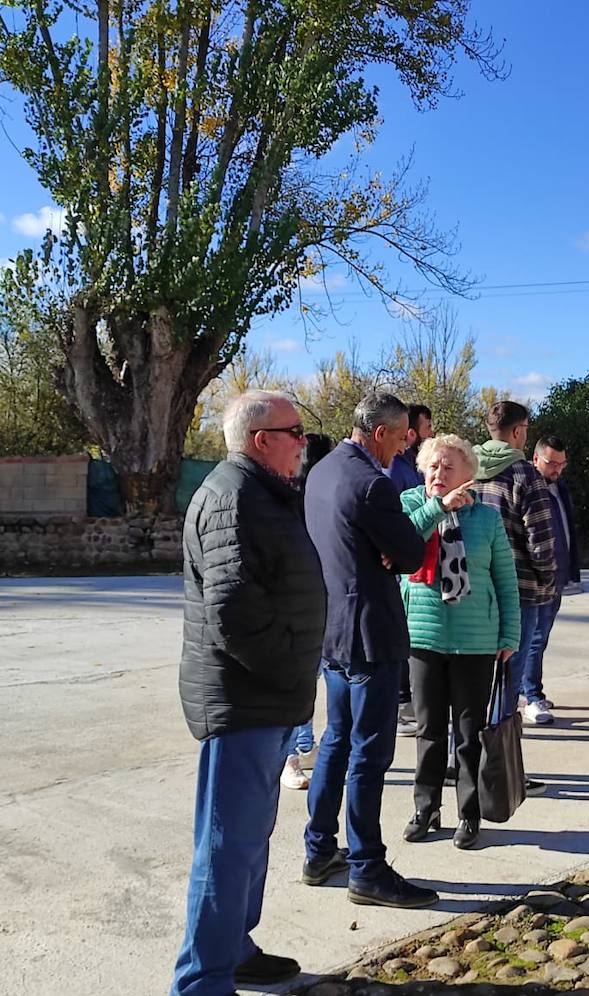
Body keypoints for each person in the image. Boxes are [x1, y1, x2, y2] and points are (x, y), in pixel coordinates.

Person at [172, 392, 328, 996]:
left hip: (265, 696)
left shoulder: (260, 493)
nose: (303, 444)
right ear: (261, 440)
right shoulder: (233, 497)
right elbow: (233, 611)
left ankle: (234, 949)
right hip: (244, 699)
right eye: (296, 433)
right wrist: (291, 668)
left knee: (246, 840)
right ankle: (202, 982)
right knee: (226, 848)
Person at [303, 393, 438, 909]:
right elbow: (407, 552)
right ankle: (367, 867)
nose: (408, 443)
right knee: (369, 752)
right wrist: (392, 547)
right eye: (404, 434)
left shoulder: (322, 471)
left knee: (337, 741)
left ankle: (319, 850)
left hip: (333, 630)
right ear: (380, 432)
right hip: (370, 634)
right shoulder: (372, 485)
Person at [399, 436, 518, 850]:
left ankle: (470, 813)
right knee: (429, 730)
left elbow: (505, 578)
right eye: (433, 466)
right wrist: (438, 507)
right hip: (423, 637)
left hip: (476, 641)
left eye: (448, 467)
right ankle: (425, 808)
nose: (439, 473)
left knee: (469, 735)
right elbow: (402, 544)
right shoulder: (412, 504)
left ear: (468, 476)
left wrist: (510, 634)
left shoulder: (486, 519)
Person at [473, 402, 557, 738]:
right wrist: (548, 577)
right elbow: (541, 541)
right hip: (520, 592)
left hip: (475, 590)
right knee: (508, 682)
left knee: (474, 679)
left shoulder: (466, 470)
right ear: (519, 431)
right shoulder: (525, 475)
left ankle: (464, 755)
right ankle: (497, 766)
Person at [282, 432, 336, 792]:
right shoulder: (295, 497)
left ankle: (303, 746)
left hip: (323, 597)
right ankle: (289, 757)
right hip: (300, 599)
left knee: (312, 676)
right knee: (300, 679)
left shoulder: (320, 495)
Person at [521, 436, 581, 722]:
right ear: (535, 459)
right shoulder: (530, 490)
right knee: (534, 637)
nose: (557, 469)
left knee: (541, 638)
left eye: (561, 463)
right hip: (537, 577)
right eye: (551, 463)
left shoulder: (560, 489)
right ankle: (531, 696)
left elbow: (567, 533)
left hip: (557, 575)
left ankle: (533, 690)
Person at [390, 405, 434, 737]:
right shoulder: (397, 469)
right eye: (426, 425)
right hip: (404, 572)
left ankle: (406, 701)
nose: (429, 430)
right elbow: (401, 528)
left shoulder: (409, 466)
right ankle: (402, 703)